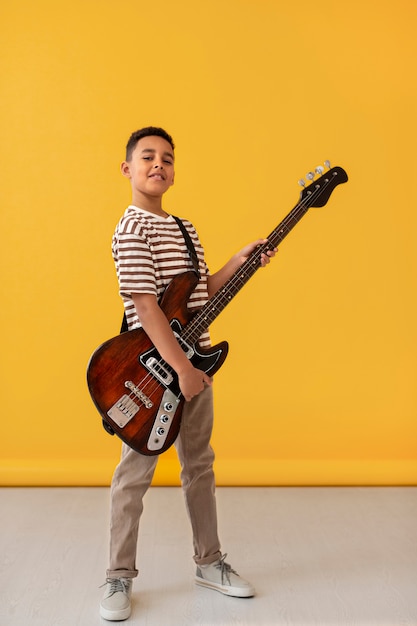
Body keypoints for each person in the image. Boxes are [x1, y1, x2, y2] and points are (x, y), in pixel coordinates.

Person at [100, 126, 276, 621]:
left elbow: (196, 299)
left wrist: (238, 262)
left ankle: (210, 562)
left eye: (168, 158)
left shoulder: (184, 228)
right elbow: (146, 307)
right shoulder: (130, 227)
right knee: (133, 475)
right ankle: (118, 576)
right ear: (128, 168)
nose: (159, 164)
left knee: (199, 465)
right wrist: (180, 371)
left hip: (194, 365)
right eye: (148, 156)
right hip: (154, 372)